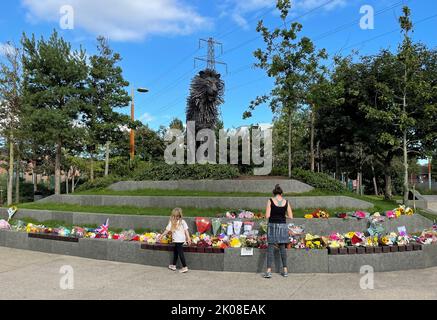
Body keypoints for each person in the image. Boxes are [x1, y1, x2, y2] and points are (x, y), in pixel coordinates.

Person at [263, 184, 293, 278]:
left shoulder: (270, 200)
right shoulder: (286, 201)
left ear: (274, 193)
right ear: (281, 193)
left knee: (270, 248)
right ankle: (285, 270)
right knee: (282, 248)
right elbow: (291, 216)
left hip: (272, 226)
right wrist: (284, 216)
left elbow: (267, 216)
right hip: (283, 226)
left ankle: (268, 271)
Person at [158, 208, 191, 273]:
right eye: (174, 216)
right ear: (172, 216)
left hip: (179, 240)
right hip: (179, 240)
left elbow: (186, 230)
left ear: (180, 216)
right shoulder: (173, 222)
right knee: (176, 251)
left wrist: (189, 238)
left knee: (180, 253)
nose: (176, 217)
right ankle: (173, 265)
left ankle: (185, 267)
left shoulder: (182, 222)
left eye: (177, 216)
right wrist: (162, 235)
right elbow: (167, 230)